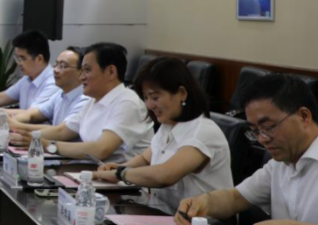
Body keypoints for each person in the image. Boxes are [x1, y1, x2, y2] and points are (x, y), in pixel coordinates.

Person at [175, 74, 318, 225]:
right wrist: (204, 202)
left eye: (268, 127)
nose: (262, 139)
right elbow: (236, 198)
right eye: (255, 131)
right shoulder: (281, 162)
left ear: (304, 116)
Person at [94, 57, 233, 211]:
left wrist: (121, 174)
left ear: (182, 93)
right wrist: (120, 167)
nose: (149, 105)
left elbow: (165, 175)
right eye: (146, 98)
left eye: (155, 97)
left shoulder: (203, 132)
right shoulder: (168, 124)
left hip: (202, 223)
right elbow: (146, 158)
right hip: (166, 213)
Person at [19, 42, 152, 163]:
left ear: (111, 72)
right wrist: (23, 137)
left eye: (87, 70)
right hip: (90, 172)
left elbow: (101, 149)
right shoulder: (93, 101)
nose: (81, 77)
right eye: (82, 70)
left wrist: (48, 145)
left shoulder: (127, 102)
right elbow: (62, 131)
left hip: (119, 179)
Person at [10, 46, 89, 132]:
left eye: (62, 66)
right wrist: (12, 121)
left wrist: (15, 125)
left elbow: (60, 132)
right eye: (56, 65)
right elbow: (32, 114)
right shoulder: (60, 94)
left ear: (82, 71)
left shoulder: (85, 99)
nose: (55, 70)